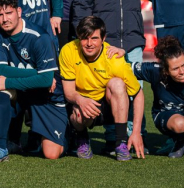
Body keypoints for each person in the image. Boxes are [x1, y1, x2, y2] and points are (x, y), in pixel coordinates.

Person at [0, 0, 67, 162]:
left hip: (45, 95)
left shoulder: (40, 37)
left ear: (19, 12)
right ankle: (2, 147)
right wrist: (39, 74)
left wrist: (9, 80)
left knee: (51, 154)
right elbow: (0, 70)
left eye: (9, 13)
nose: (4, 19)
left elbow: (46, 81)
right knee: (0, 94)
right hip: (23, 90)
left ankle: (68, 137)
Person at [59, 16, 145, 161]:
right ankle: (82, 138)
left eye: (94, 38)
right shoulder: (68, 50)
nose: (89, 43)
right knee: (78, 112)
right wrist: (81, 100)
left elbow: (138, 94)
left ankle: (121, 143)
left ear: (103, 38)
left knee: (117, 84)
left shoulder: (114, 58)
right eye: (84, 38)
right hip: (81, 103)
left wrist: (136, 131)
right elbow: (69, 92)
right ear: (79, 37)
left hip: (106, 105)